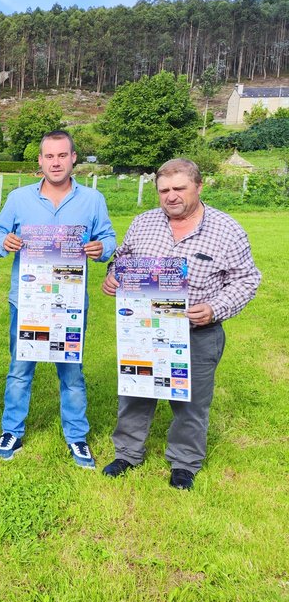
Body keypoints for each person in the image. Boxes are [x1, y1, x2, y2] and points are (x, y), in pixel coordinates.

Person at [101, 158, 260, 490]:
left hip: (198, 332)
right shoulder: (143, 223)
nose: (171, 196)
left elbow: (247, 281)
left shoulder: (227, 230)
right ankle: (127, 453)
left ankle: (184, 463)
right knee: (135, 392)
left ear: (199, 187)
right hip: (144, 330)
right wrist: (113, 274)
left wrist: (215, 308)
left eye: (179, 189)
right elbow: (122, 258)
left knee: (191, 402)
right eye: (164, 190)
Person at [0, 130, 115, 468]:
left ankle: (77, 436)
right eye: (49, 156)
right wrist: (6, 243)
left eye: (62, 155)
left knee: (71, 372)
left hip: (69, 303)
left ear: (74, 158)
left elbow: (108, 236)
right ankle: (11, 430)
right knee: (20, 368)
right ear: (40, 161)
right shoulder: (19, 198)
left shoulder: (92, 200)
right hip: (27, 300)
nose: (55, 162)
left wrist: (103, 249)